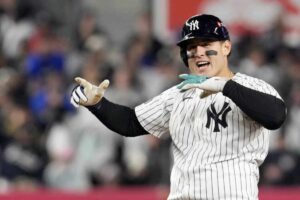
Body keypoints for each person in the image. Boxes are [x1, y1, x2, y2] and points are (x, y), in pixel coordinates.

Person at [70, 14, 287, 200]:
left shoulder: (250, 86)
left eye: (206, 45)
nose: (199, 52)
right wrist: (97, 104)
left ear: (226, 47)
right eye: (192, 47)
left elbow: (275, 115)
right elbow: (130, 123)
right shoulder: (178, 94)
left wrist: (225, 87)